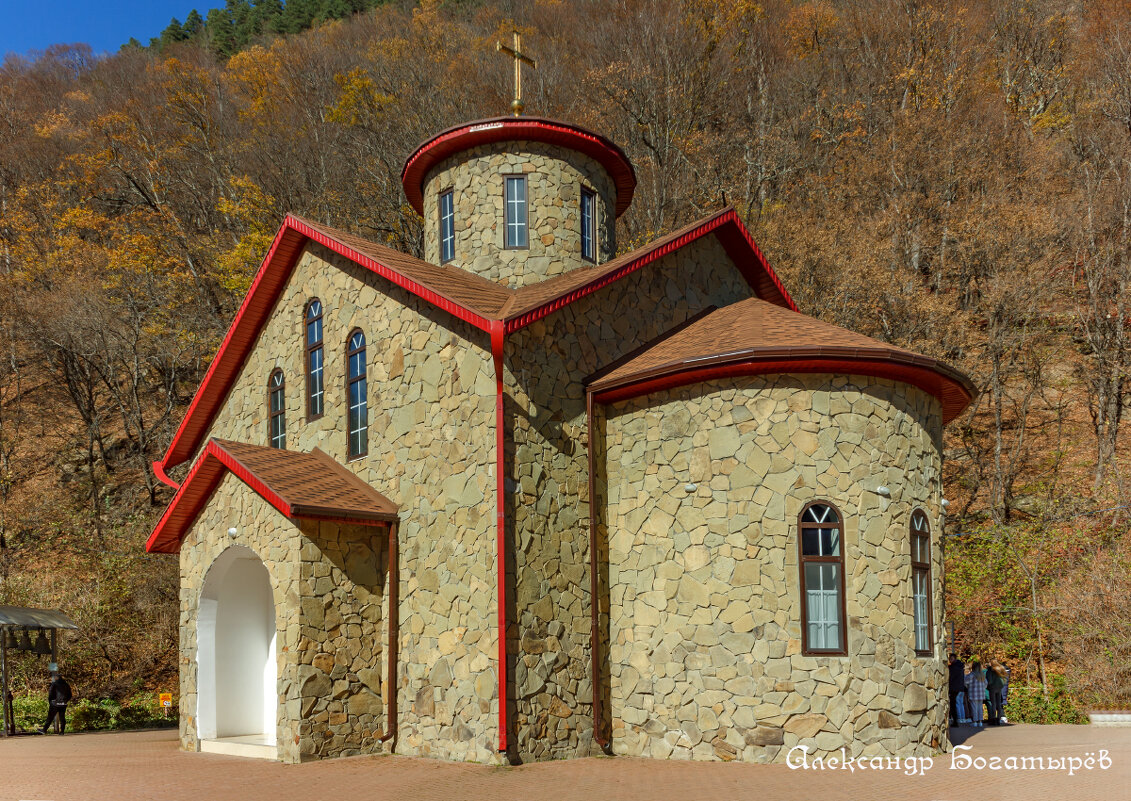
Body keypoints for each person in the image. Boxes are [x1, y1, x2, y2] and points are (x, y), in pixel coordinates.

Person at [40, 670, 72, 735]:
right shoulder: (66, 684)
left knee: (50, 717)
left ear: (56, 678)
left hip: (55, 703)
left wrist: (50, 701)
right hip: (63, 703)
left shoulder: (54, 684)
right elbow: (70, 695)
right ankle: (62, 731)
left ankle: (44, 729)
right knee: (62, 717)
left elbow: (51, 694)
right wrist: (65, 700)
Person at [948, 653, 966, 726]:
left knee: (954, 704)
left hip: (954, 687)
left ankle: (956, 720)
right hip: (960, 687)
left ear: (954, 659)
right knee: (960, 703)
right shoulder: (960, 667)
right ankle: (961, 718)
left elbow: (951, 678)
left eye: (951, 659)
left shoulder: (953, 668)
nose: (950, 660)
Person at [967, 661, 987, 728]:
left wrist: (968, 687)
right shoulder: (982, 675)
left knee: (974, 708)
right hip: (981, 694)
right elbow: (986, 684)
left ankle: (975, 721)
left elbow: (966, 681)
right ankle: (980, 721)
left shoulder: (972, 675)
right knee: (980, 708)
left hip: (973, 693)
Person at [987, 660, 1006, 725]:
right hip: (999, 687)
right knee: (998, 703)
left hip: (992, 687)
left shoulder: (990, 670)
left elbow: (990, 680)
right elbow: (1004, 678)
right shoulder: (1001, 669)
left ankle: (993, 718)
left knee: (993, 703)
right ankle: (998, 718)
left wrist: (988, 686)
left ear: (991, 663)